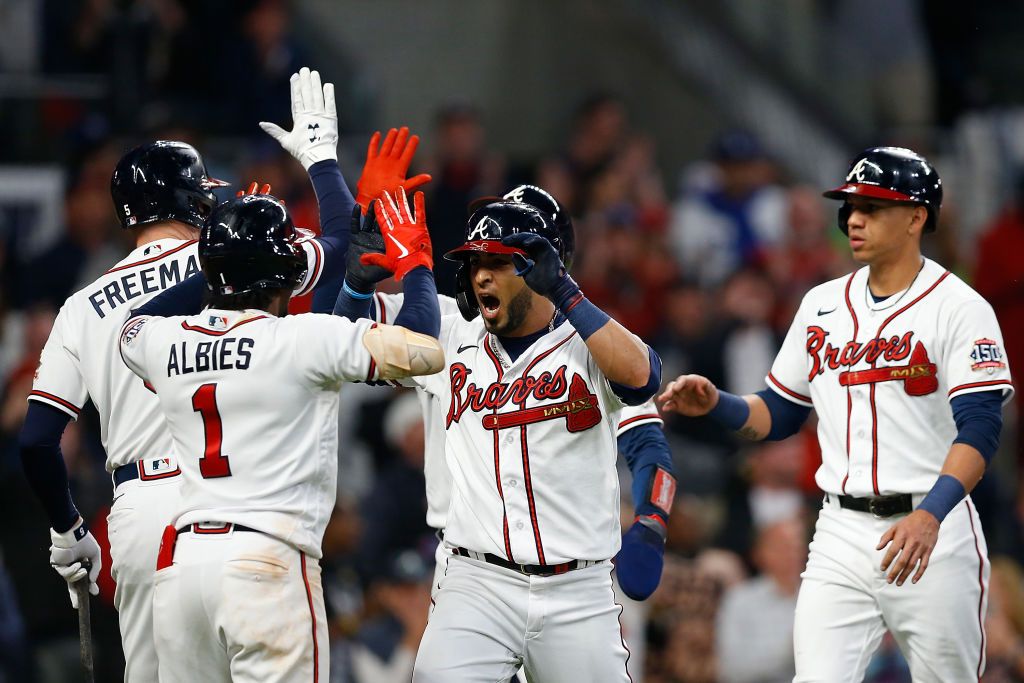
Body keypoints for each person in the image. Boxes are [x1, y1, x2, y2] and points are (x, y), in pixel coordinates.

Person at [18, 66, 354, 682]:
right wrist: (321, 163)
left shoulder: (81, 303)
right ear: (193, 199)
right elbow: (342, 243)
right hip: (238, 507)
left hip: (138, 516)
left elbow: (36, 440)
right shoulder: (233, 260)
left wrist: (68, 530)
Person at [659, 146, 1013, 681]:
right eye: (849, 207)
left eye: (872, 207)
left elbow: (983, 429)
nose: (853, 219)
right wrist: (719, 405)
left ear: (917, 217)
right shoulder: (821, 304)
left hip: (932, 527)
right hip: (840, 530)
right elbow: (777, 414)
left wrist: (931, 514)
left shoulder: (960, 308)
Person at [118, 188, 443, 682]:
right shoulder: (301, 338)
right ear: (286, 275)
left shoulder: (161, 340)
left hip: (183, 568)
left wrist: (220, 251)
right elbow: (425, 350)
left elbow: (131, 324)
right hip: (266, 564)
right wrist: (417, 266)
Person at [358, 192, 666, 681]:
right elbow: (345, 339)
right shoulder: (452, 331)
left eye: (497, 262)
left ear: (537, 267)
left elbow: (643, 377)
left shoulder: (587, 340)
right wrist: (355, 278)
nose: (481, 275)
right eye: (475, 263)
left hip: (577, 589)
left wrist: (565, 292)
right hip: (475, 581)